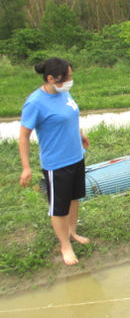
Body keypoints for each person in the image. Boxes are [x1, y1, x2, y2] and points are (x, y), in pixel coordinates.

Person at [19, 57, 90, 266]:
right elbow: (23, 136)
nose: (70, 80)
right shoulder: (35, 103)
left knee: (74, 198)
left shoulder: (62, 91)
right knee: (58, 207)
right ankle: (64, 245)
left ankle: (72, 232)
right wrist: (26, 167)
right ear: (51, 78)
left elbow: (69, 115)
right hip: (57, 163)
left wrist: (80, 133)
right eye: (66, 76)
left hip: (76, 156)